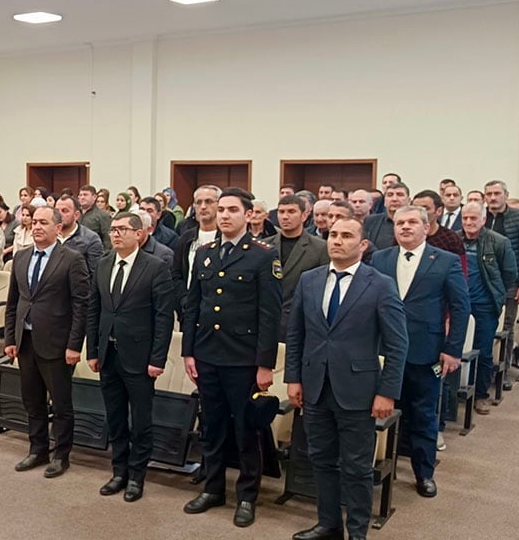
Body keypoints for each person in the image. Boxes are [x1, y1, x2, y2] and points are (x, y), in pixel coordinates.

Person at [286, 218, 409, 540]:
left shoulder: (380, 284)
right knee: (321, 460)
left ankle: (357, 532)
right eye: (333, 235)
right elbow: (296, 334)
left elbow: (397, 344)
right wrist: (293, 378)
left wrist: (387, 392)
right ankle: (329, 524)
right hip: (315, 386)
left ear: (363, 245)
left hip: (359, 390)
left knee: (356, 467)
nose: (337, 241)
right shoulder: (309, 280)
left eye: (346, 236)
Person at [181, 187, 282, 528]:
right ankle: (213, 489)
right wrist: (188, 351)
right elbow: (193, 305)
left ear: (248, 215)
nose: (224, 215)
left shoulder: (263, 256)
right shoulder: (205, 253)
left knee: (245, 430)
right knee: (212, 427)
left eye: (232, 210)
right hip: (207, 354)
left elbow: (270, 314)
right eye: (220, 209)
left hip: (243, 359)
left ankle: (247, 496)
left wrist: (265, 364)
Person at [370, 205, 470, 498]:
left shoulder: (446, 261)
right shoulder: (380, 258)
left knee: (423, 415)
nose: (405, 227)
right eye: (400, 222)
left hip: (424, 350)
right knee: (379, 410)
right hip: (383, 350)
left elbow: (460, 307)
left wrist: (453, 350)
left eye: (412, 222)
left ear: (426, 227)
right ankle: (376, 466)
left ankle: (424, 473)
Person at [86, 212, 174, 502]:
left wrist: (158, 359)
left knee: (141, 421)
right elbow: (94, 310)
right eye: (113, 229)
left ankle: (137, 475)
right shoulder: (103, 264)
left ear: (139, 234)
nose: (116, 234)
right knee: (115, 418)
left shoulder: (155, 267)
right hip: (108, 355)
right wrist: (92, 351)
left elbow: (164, 318)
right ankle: (119, 471)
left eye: (122, 229)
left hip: (140, 357)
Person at [4, 206, 89, 479]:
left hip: (56, 343)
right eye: (34, 222)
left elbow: (81, 305)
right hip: (26, 340)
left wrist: (74, 344)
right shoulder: (21, 256)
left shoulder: (72, 259)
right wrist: (10, 338)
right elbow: (14, 302)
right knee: (32, 400)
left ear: (58, 228)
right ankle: (38, 449)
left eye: (43, 222)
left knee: (61, 404)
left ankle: (61, 455)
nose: (37, 227)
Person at [458, 202, 517, 416]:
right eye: (465, 218)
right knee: (454, 349)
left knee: (483, 351)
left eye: (473, 218)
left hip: (485, 305)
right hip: (458, 304)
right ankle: (454, 393)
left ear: (483, 220)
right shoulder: (454, 240)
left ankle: (481, 394)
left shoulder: (499, 242)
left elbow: (509, 273)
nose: (468, 222)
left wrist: (497, 296)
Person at [262, 195, 330, 340]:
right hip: (266, 321)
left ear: (304, 215)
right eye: (281, 212)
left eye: (291, 212)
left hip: (301, 323)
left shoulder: (320, 248)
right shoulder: (265, 246)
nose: (285, 217)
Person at [173, 185, 221, 319]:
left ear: (219, 205)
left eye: (209, 201)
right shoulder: (185, 238)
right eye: (198, 202)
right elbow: (176, 273)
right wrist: (184, 299)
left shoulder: (225, 237)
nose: (203, 207)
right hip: (189, 308)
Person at [56, 195, 103, 278]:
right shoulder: (49, 235)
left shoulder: (90, 239)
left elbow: (95, 274)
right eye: (56, 211)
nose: (59, 215)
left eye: (65, 211)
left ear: (76, 215)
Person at [363, 182, 409, 249]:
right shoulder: (371, 221)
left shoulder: (416, 222)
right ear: (384, 201)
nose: (394, 199)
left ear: (409, 201)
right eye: (390, 195)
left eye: (400, 195)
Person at [79, 185, 112, 251]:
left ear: (94, 197)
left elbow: (107, 240)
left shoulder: (103, 216)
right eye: (80, 195)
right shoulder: (75, 214)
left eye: (85, 195)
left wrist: (104, 255)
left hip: (94, 253)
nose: (82, 197)